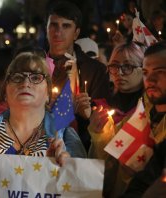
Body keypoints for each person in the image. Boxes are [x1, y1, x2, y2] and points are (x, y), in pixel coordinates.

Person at [0, 52, 86, 169]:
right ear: (5, 90)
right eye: (17, 77)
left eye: (36, 78)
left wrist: (66, 167)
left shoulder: (66, 136)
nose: (25, 83)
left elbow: (82, 186)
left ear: (47, 93)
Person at [45, 1, 111, 151]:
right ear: (46, 28)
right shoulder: (34, 65)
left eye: (66, 26)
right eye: (54, 25)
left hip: (80, 149)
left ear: (76, 33)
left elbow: (104, 118)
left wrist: (87, 114)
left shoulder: (95, 70)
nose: (58, 32)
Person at [88, 42, 147, 197]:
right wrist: (98, 135)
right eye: (114, 66)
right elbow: (96, 162)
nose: (119, 73)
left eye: (127, 66)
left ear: (144, 69)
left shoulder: (150, 110)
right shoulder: (103, 107)